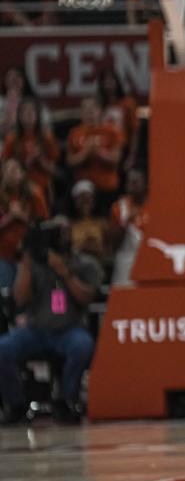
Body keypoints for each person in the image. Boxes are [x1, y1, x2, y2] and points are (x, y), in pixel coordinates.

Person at [0, 219, 102, 424]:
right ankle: (16, 404)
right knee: (3, 348)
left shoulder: (83, 263)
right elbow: (20, 298)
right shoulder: (35, 264)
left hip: (69, 329)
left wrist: (64, 271)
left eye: (64, 232)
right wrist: (27, 263)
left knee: (83, 346)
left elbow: (87, 297)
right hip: (35, 330)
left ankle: (66, 399)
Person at [66, 97, 123, 209]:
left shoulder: (112, 132)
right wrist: (85, 152)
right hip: (82, 189)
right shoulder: (74, 133)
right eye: (86, 109)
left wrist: (99, 152)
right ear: (81, 112)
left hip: (107, 187)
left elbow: (116, 159)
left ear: (100, 111)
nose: (90, 113)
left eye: (93, 109)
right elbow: (70, 162)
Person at [0, 159, 48, 288]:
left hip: (29, 256)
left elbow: (43, 226)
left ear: (22, 174)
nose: (11, 174)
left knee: (28, 297)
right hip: (3, 255)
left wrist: (23, 217)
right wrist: (10, 217)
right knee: (5, 296)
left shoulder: (34, 194)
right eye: (8, 170)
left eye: (15, 170)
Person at [1, 98, 59, 204]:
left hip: (41, 184)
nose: (28, 114)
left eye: (32, 111)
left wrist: (40, 161)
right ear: (19, 116)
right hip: (17, 186)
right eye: (25, 111)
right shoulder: (11, 139)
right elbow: (4, 168)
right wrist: (23, 164)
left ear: (38, 115)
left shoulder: (47, 137)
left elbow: (54, 170)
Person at [97, 68, 140, 171]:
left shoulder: (128, 103)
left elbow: (135, 131)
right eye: (105, 81)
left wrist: (132, 156)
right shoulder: (100, 105)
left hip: (123, 148)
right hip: (104, 149)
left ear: (117, 82)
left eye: (111, 80)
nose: (108, 84)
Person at [109, 169, 147, 287]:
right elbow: (113, 243)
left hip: (149, 258)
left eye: (136, 182)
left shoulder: (155, 205)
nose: (132, 186)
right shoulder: (119, 207)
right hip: (127, 260)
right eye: (129, 182)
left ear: (145, 184)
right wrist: (126, 223)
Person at [68, 180, 109, 261]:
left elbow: (106, 248)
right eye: (81, 199)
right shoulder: (69, 224)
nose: (85, 203)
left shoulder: (102, 223)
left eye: (88, 199)